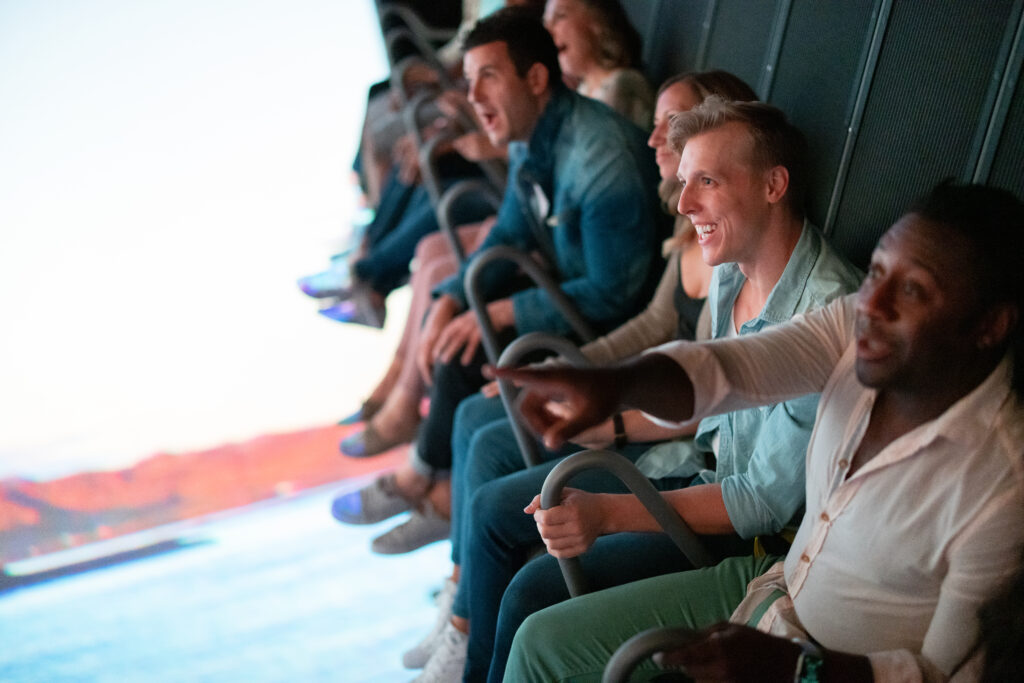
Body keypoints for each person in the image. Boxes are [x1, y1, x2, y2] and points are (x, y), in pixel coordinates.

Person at [497, 181, 1024, 683]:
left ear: (990, 326)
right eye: (877, 272)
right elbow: (732, 369)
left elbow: (944, 674)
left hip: (836, 668)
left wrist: (798, 670)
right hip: (776, 585)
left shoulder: (1002, 492)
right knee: (538, 643)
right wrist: (616, 386)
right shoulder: (853, 333)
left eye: (912, 290)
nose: (871, 304)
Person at [417, 96, 863, 682]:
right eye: (685, 181)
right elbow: (709, 399)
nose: (685, 204)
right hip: (701, 472)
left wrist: (609, 512)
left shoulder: (829, 308)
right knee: (501, 509)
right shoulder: (733, 268)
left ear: (774, 184)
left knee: (532, 595)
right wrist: (612, 418)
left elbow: (758, 504)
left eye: (707, 181)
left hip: (754, 543)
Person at [333, 7, 663, 558]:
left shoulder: (599, 154)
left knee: (472, 348)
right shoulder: (528, 138)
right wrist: (449, 298)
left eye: (489, 76)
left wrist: (502, 313)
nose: (475, 96)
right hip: (572, 293)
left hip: (618, 327)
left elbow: (617, 294)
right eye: (469, 80)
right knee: (464, 323)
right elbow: (508, 230)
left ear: (536, 79)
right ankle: (435, 497)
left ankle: (428, 490)